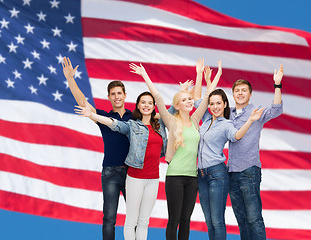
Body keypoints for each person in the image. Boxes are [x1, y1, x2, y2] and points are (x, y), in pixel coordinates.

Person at [129, 60, 219, 240]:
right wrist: (144, 75)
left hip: (192, 178)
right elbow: (159, 99)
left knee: (186, 220)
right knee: (174, 220)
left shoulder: (195, 120)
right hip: (175, 177)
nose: (188, 101)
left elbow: (208, 96)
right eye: (184, 100)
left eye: (189, 99)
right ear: (177, 105)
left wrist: (201, 74)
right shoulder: (171, 121)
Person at [75, 91, 168, 240]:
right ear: (137, 105)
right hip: (122, 174)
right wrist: (91, 115)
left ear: (125, 95)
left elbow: (168, 112)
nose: (146, 105)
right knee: (115, 219)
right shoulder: (132, 124)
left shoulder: (157, 124)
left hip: (150, 178)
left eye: (150, 103)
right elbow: (114, 124)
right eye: (143, 102)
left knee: (143, 220)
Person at [62, 57, 132, 240]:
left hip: (132, 173)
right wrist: (71, 79)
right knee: (109, 218)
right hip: (110, 172)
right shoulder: (104, 117)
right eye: (113, 94)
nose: (117, 96)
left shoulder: (135, 117)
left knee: (135, 218)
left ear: (125, 95)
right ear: (109, 97)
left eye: (119, 93)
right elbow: (84, 104)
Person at [193, 61, 264, 240]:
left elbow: (237, 136)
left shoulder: (227, 124)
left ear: (225, 104)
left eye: (219, 103)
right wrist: (200, 75)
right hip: (201, 174)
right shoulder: (207, 117)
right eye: (212, 104)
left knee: (218, 220)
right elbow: (197, 101)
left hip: (217, 172)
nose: (215, 106)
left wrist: (249, 121)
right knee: (209, 220)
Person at [228, 65, 284, 240]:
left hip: (249, 171)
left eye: (244, 90)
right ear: (233, 94)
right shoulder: (227, 113)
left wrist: (277, 85)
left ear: (250, 94)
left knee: (254, 219)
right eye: (237, 90)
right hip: (231, 172)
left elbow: (276, 109)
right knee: (242, 220)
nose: (240, 93)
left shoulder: (257, 112)